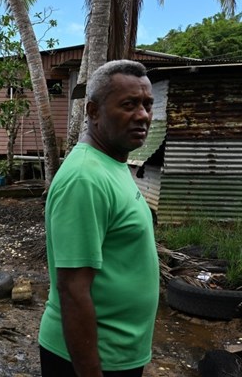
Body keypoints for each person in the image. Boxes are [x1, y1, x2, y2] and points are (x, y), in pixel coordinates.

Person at [39, 60, 159, 376]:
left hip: (118, 352)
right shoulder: (84, 178)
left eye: (148, 104)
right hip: (91, 360)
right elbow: (73, 289)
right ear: (93, 112)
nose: (143, 115)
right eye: (129, 105)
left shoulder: (112, 164)